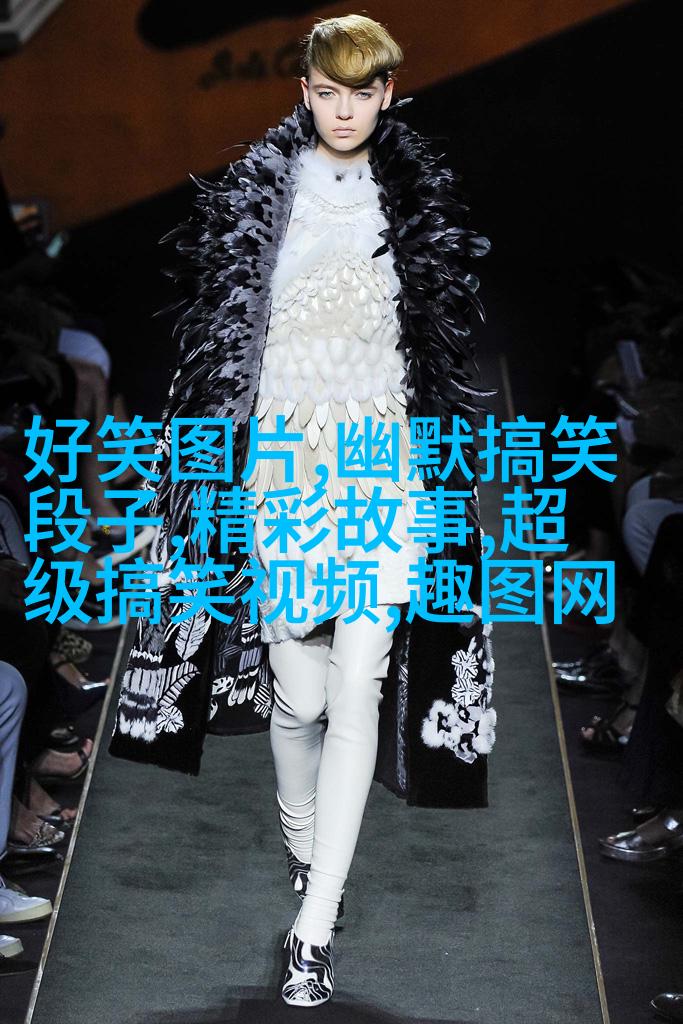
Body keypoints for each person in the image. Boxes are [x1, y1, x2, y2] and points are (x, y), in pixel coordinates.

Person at [109, 13, 495, 1007]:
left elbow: (440, 358)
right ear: (304, 91)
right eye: (328, 92)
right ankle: (303, 843)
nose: (344, 110)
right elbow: (209, 364)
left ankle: (314, 925)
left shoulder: (419, 201)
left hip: (381, 473)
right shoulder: (257, 194)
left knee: (358, 686)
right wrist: (175, 494)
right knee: (300, 699)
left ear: (387, 94)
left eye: (361, 93)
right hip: (285, 478)